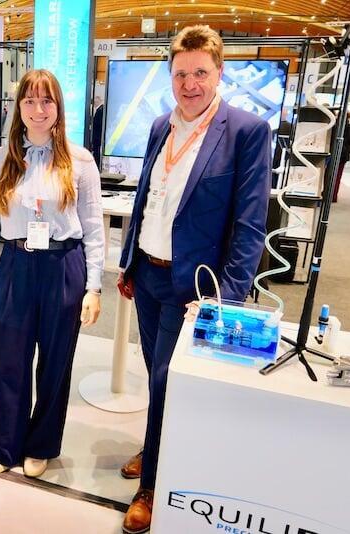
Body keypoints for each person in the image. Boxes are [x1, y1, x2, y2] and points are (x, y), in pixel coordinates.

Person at [115, 25, 270, 534]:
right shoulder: (160, 125)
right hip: (148, 273)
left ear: (219, 72)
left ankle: (152, 486)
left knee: (166, 379)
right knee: (156, 375)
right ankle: (156, 444)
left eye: (200, 73)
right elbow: (146, 198)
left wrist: (224, 299)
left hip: (194, 289)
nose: (190, 84)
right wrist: (129, 262)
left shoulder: (246, 131)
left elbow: (249, 225)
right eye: (180, 74)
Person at [0, 69, 104, 479]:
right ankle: (7, 445)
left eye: (46, 100)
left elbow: (93, 227)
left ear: (58, 107)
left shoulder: (81, 161)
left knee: (55, 362)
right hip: (16, 264)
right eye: (30, 100)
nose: (38, 109)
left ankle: (42, 444)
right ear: (19, 108)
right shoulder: (0, 160)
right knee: (9, 357)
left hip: (63, 266)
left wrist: (94, 286)